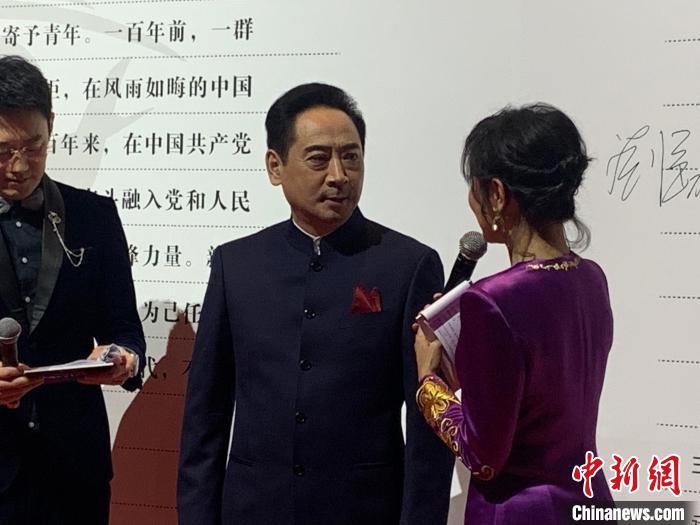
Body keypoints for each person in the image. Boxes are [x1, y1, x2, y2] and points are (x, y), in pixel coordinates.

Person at [178, 83, 454, 524]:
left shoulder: (407, 265)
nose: (339, 175)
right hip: (254, 509)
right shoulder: (236, 264)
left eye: (351, 157)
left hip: (364, 510)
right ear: (275, 166)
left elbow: (427, 418)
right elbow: (205, 414)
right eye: (319, 158)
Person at [414, 104, 615, 524]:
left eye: (475, 187)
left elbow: (483, 456)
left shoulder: (492, 301)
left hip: (520, 511)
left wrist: (429, 383)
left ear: (498, 194)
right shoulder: (592, 278)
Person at [0, 55, 145, 525]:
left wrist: (122, 359)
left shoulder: (94, 217)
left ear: (52, 126)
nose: (19, 166)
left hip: (73, 471)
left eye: (34, 146)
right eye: (2, 150)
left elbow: (125, 329)